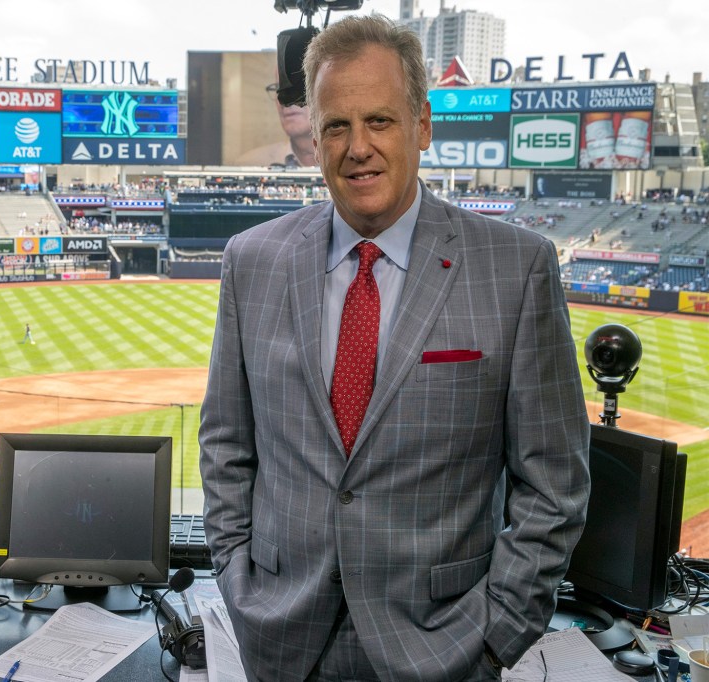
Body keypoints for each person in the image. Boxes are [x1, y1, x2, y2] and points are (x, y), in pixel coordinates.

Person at [198, 15, 590, 682]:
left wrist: (496, 636)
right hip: (281, 640)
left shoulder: (516, 266)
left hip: (446, 650)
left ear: (423, 127)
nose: (358, 148)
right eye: (336, 126)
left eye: (379, 121)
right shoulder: (251, 260)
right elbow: (227, 446)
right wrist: (240, 586)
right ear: (313, 139)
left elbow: (554, 482)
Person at [235, 73, 316, 167]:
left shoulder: (336, 168)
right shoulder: (249, 165)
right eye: (279, 89)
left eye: (298, 87)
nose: (284, 100)